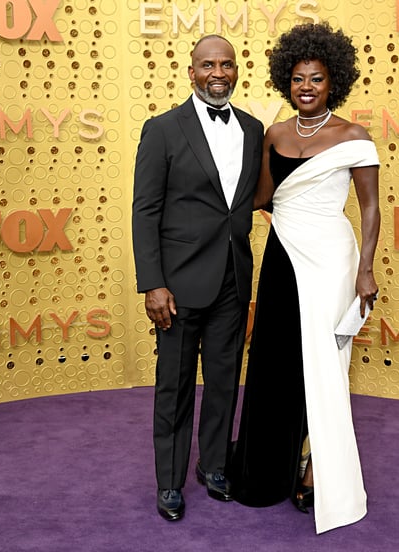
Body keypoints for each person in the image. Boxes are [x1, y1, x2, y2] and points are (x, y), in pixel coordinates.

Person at [230, 22, 381, 534]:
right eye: (297, 79)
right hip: (282, 255)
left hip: (333, 260)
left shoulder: (354, 136)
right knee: (274, 359)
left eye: (316, 78)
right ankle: (267, 467)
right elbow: (263, 198)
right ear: (286, 82)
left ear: (332, 80)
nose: (306, 87)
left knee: (326, 363)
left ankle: (319, 468)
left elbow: (371, 208)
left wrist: (365, 270)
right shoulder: (276, 134)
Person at [131, 35, 264, 522]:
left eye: (227, 65)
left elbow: (256, 199)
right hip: (179, 284)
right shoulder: (163, 129)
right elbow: (145, 210)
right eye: (208, 65)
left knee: (226, 382)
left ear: (236, 70)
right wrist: (152, 282)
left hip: (232, 278)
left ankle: (214, 465)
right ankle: (169, 481)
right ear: (191, 72)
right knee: (175, 386)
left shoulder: (253, 129)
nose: (218, 73)